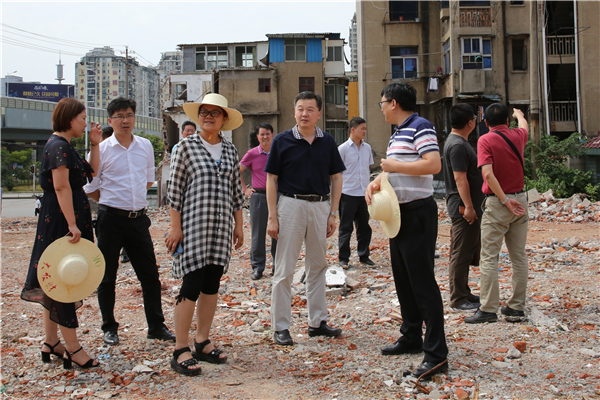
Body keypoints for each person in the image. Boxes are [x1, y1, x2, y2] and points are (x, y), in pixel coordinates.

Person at [366, 82, 448, 379]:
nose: (382, 107)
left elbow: (433, 164)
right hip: (399, 215)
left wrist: (395, 166)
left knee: (423, 284)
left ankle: (437, 353)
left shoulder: (421, 126)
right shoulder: (399, 133)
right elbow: (394, 168)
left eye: (383, 102)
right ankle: (412, 335)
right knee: (404, 280)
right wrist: (377, 180)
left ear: (395, 103)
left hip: (417, 215)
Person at [84, 97, 175, 346]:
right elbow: (91, 187)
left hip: (138, 220)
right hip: (110, 219)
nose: (125, 120)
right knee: (107, 276)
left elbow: (148, 181)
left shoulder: (144, 145)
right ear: (110, 120)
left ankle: (156, 326)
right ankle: (109, 328)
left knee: (149, 276)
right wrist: (113, 202)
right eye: (120, 116)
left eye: (130, 115)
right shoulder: (101, 149)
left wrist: (131, 203)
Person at [165, 93, 244, 376]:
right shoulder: (185, 147)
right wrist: (176, 227)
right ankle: (180, 348)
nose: (208, 116)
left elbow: (236, 192)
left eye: (215, 112)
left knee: (212, 284)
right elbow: (174, 192)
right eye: (204, 112)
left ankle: (202, 341)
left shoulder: (230, 151)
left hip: (221, 229)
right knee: (191, 284)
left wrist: (239, 225)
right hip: (193, 228)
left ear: (224, 119)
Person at [21, 97, 102, 369]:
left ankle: (51, 342)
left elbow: (93, 172)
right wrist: (72, 223)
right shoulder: (58, 146)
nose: (85, 122)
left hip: (63, 215)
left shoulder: (64, 145)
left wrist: (94, 143)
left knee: (52, 281)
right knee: (64, 280)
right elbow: (61, 187)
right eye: (82, 118)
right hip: (61, 218)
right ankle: (73, 348)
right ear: (70, 119)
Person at [265, 92, 345, 346]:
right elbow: (271, 180)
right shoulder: (282, 141)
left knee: (318, 265)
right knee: (285, 267)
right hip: (291, 205)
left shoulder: (327, 141)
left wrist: (333, 212)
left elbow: (336, 178)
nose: (305, 114)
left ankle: (317, 322)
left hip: (320, 207)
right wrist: (272, 217)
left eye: (310, 109)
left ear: (319, 114)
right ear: (294, 112)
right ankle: (280, 327)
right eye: (300, 109)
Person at [464, 104, 528, 324]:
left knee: (489, 257)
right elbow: (525, 127)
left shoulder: (485, 140)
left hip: (499, 202)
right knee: (518, 256)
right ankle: (516, 307)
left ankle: (489, 309)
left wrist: (504, 200)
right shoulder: (518, 136)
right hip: (521, 200)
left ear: (486, 123)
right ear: (508, 122)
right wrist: (520, 115)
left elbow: (489, 176)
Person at [443, 104, 485, 312]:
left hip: (467, 205)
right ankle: (458, 298)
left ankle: (464, 291)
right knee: (460, 253)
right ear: (470, 123)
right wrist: (468, 206)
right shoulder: (458, 145)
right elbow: (460, 179)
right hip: (462, 208)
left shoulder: (458, 142)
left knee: (467, 250)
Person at [240, 123, 278, 280]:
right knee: (258, 233)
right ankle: (257, 267)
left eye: (268, 134)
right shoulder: (252, 153)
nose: (265, 137)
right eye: (262, 134)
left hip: (278, 196)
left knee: (278, 232)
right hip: (259, 196)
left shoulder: (278, 153)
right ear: (257, 137)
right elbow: (237, 172)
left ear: (272, 135)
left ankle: (278, 265)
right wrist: (245, 189)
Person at [337, 117, 374, 268]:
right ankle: (343, 258)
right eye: (362, 129)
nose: (364, 131)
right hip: (347, 193)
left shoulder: (368, 148)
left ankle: (364, 255)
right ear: (353, 130)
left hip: (364, 194)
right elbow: (337, 173)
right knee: (346, 227)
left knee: (364, 226)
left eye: (365, 129)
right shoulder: (342, 149)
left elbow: (368, 169)